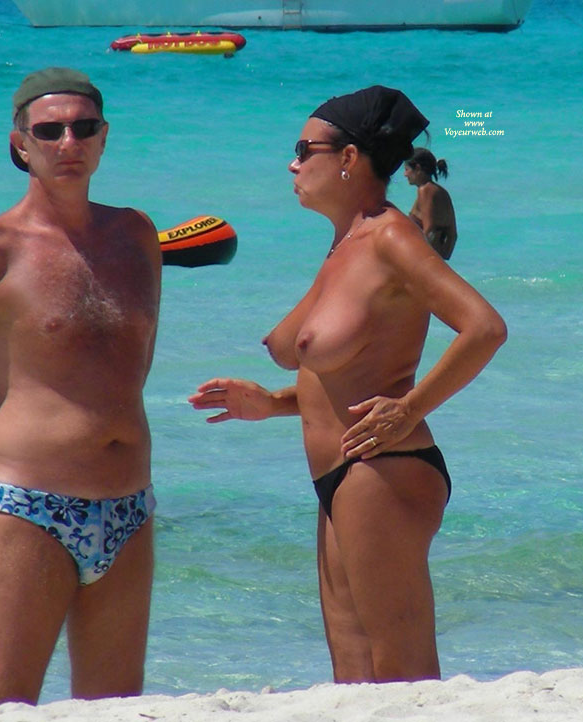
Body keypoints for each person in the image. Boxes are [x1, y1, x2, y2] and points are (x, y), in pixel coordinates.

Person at [189, 86, 506, 684]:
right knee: (354, 676)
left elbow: (484, 328)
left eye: (303, 150)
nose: (292, 164)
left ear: (349, 158)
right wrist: (274, 403)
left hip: (383, 471)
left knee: (402, 674)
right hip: (344, 475)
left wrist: (408, 409)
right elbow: (348, 371)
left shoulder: (391, 238)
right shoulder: (346, 243)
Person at [0, 67, 162, 708]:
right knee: (3, 704)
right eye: (49, 131)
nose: (68, 142)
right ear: (21, 143)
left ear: (104, 138)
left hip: (130, 507)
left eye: (83, 128)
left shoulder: (137, 235)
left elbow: (125, 369)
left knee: (115, 706)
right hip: (32, 507)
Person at [404, 147, 458, 260]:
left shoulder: (425, 190)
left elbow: (429, 229)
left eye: (407, 169)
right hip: (434, 258)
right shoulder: (441, 192)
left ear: (417, 168)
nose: (405, 174)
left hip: (423, 258)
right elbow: (453, 233)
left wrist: (414, 256)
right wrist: (442, 257)